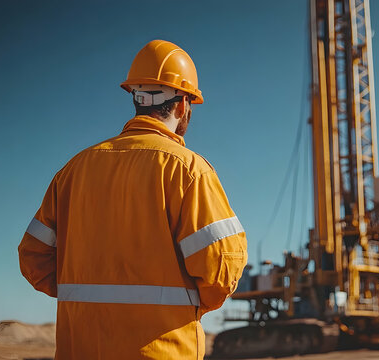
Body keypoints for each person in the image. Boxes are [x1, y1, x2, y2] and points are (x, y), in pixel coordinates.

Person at [18, 40, 248, 359]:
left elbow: (33, 258)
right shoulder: (188, 171)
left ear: (136, 99)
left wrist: (85, 299)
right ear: (182, 105)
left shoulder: (72, 171)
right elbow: (220, 270)